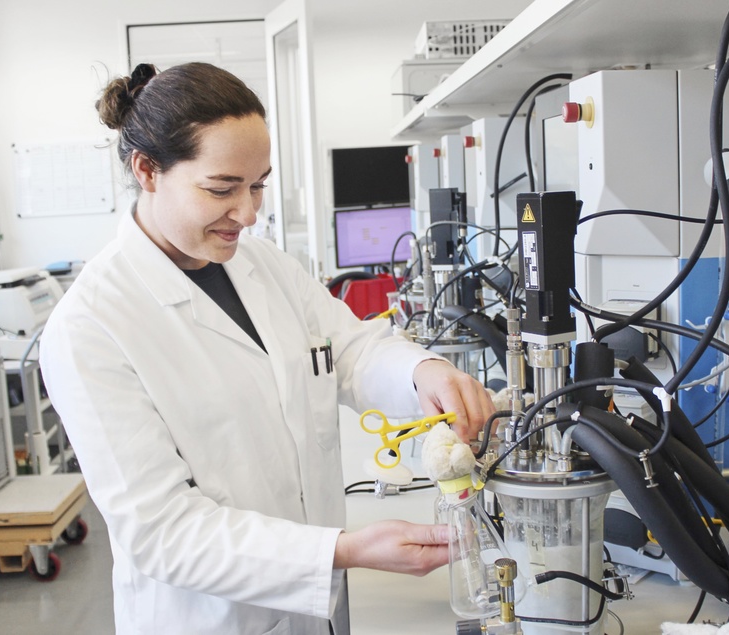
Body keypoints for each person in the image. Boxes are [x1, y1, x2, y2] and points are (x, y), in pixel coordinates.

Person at [40, 61, 495, 635]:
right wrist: (341, 551)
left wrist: (423, 371)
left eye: (258, 184)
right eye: (222, 189)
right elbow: (162, 532)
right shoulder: (90, 327)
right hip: (214, 620)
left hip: (318, 608)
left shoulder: (261, 265)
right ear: (148, 170)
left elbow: (348, 348)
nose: (249, 214)